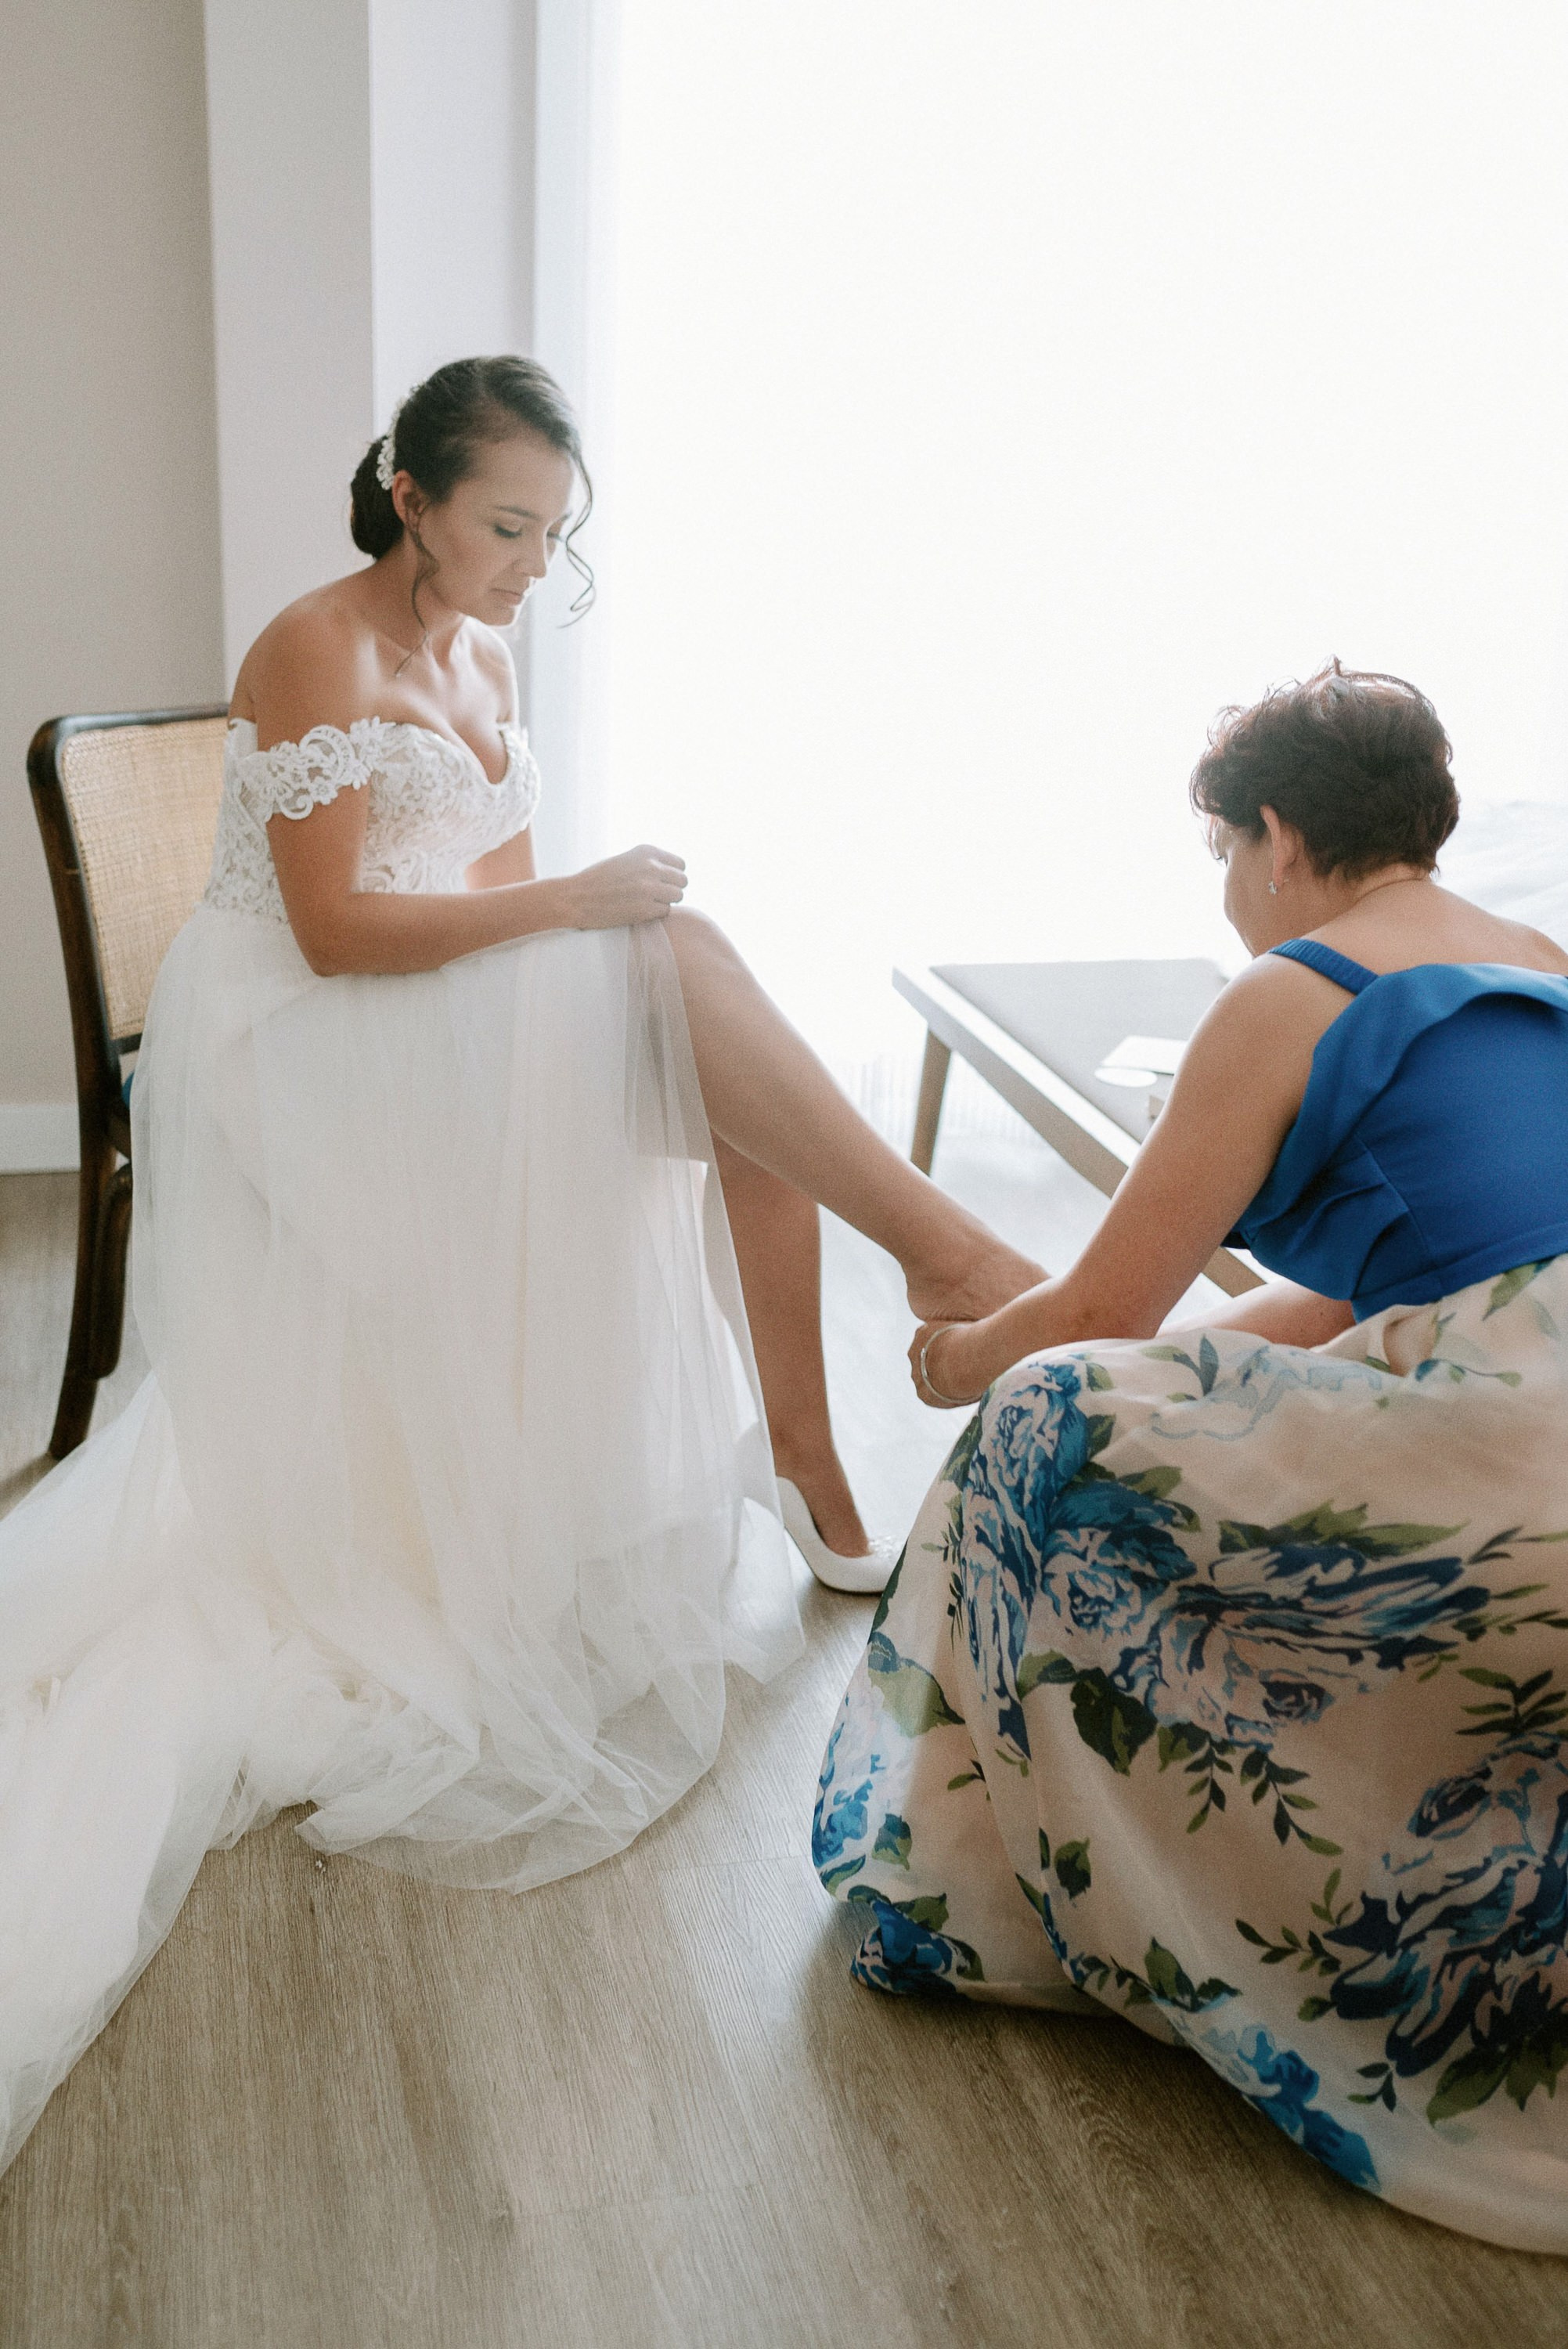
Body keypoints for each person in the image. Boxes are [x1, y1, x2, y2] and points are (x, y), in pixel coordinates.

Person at [0, 355, 1038, 2177]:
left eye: (556, 538)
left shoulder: (486, 647)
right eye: (503, 527)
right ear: (408, 491)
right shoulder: (315, 647)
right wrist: (582, 923)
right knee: (692, 971)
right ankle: (952, 1262)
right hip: (297, 1047)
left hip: (438, 1013)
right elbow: (332, 935)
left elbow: (518, 886)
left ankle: (812, 1449)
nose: (528, 567)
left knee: (727, 1083)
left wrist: (583, 966)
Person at [814, 660, 1568, 2253]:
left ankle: (986, 1887)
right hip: (1527, 1368)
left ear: (1280, 835)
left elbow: (1101, 1301)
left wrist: (961, 1358)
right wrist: (1176, 1364)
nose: (1229, 889)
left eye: (1223, 850)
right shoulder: (1538, 959)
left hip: (1515, 1433)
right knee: (1144, 1389)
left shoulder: (1286, 991)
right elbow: (1435, 1273)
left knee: (1048, 1419)